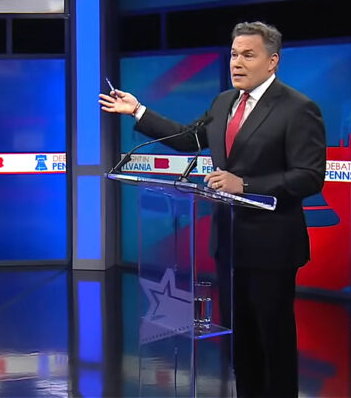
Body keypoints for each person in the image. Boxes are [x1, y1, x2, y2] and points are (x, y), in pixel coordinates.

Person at [99, 21, 326, 397]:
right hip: (230, 243)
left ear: (272, 62)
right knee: (241, 344)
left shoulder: (298, 109)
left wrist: (246, 185)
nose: (237, 62)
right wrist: (138, 111)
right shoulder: (224, 102)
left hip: (272, 247)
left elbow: (309, 176)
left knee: (273, 341)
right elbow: (189, 138)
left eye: (248, 55)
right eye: (234, 54)